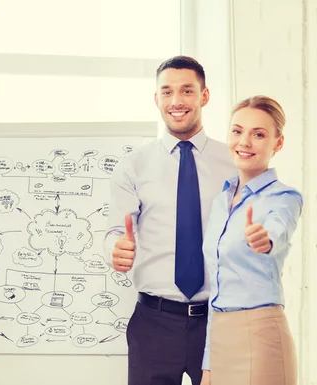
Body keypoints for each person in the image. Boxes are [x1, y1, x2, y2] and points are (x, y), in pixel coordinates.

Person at [104, 56, 237, 385]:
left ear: (204, 96)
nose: (176, 101)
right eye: (167, 92)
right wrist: (115, 249)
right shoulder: (133, 166)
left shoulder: (233, 163)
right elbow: (115, 232)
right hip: (154, 322)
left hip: (219, 321)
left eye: (187, 91)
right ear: (156, 99)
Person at [201, 95, 302, 385]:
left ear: (277, 144)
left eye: (258, 134)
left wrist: (265, 240)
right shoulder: (221, 201)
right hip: (219, 337)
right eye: (237, 131)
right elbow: (216, 286)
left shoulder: (283, 197)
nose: (244, 142)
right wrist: (209, 362)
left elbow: (277, 230)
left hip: (261, 337)